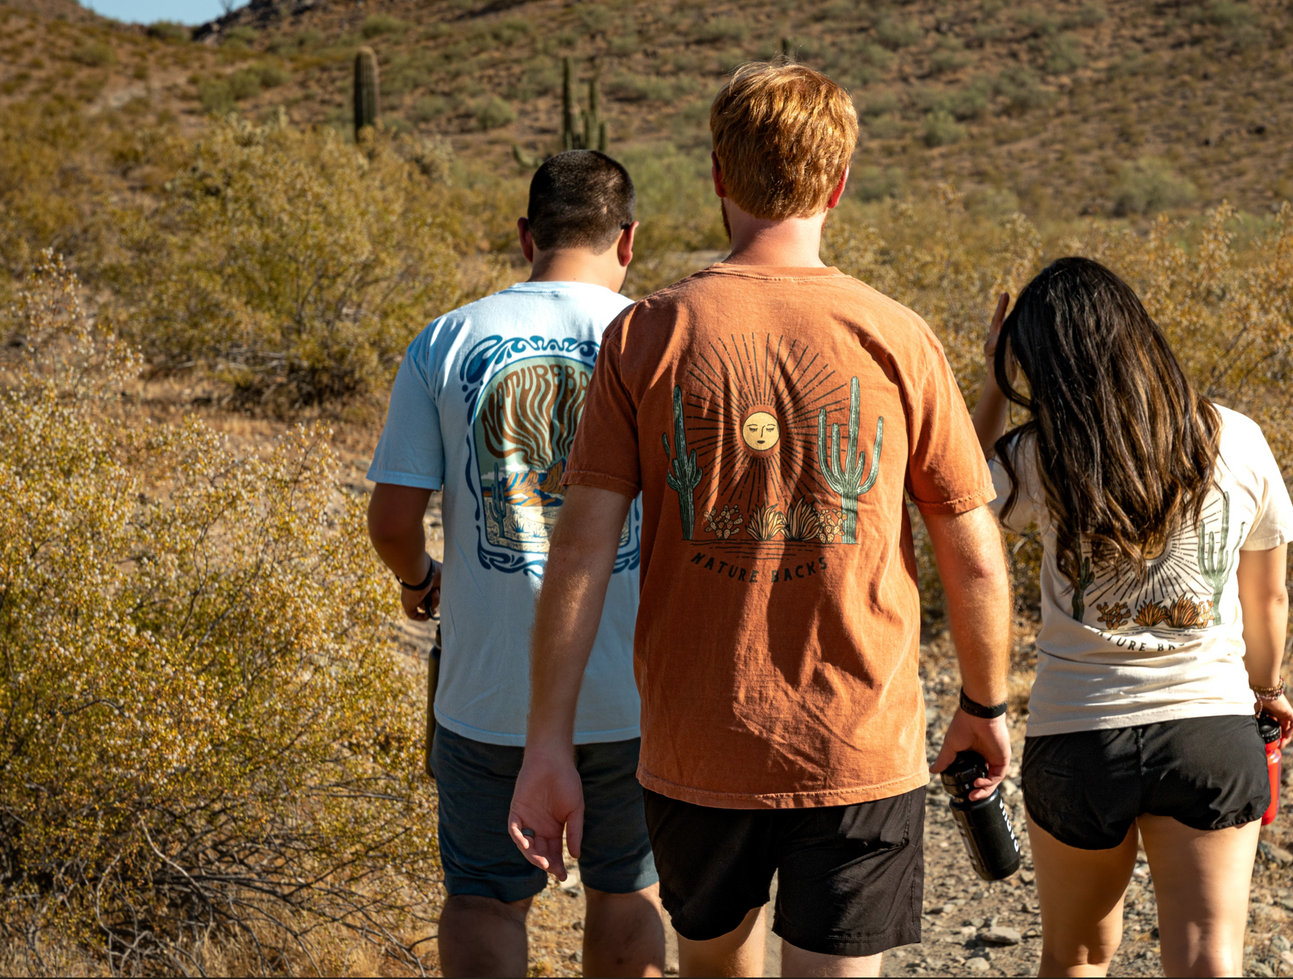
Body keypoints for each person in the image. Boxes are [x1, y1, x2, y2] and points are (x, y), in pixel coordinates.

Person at [507, 62, 1013, 979]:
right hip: (858, 742)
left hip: (697, 741)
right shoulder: (898, 336)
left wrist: (548, 741)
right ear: (839, 183)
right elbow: (973, 553)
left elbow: (578, 547)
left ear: (717, 177)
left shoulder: (648, 333)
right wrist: (984, 703)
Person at [365, 149, 665, 978]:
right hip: (631, 687)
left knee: (483, 898)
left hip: (489, 689)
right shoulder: (661, 336)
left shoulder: (449, 337)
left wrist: (420, 580)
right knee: (630, 891)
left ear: (526, 235)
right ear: (629, 238)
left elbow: (392, 519)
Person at [968, 257, 1293, 978]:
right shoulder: (1237, 438)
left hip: (1077, 734)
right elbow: (1267, 598)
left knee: (1078, 954)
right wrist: (1267, 688)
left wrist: (992, 382)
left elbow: (962, 501)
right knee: (1209, 952)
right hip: (1210, 730)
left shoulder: (1039, 453)